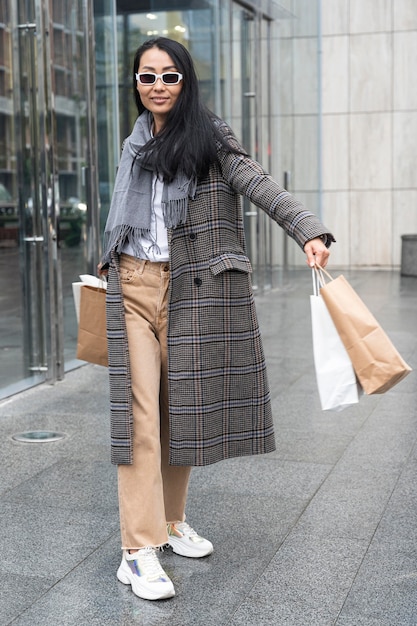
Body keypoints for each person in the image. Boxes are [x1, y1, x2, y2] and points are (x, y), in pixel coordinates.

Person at [98, 36, 334, 602]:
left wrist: (308, 229)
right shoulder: (134, 143)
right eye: (148, 76)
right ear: (135, 83)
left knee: (181, 414)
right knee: (139, 422)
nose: (158, 86)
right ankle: (137, 551)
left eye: (170, 76)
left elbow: (257, 182)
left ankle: (171, 521)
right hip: (131, 286)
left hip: (189, 292)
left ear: (186, 82)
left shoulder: (209, 136)